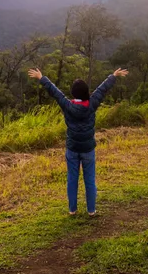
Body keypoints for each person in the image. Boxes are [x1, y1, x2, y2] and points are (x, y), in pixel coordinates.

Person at [27, 67, 129, 216]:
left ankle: (72, 209)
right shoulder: (92, 103)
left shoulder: (68, 106)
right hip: (88, 148)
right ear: (87, 92)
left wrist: (42, 78)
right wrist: (113, 76)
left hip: (72, 148)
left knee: (72, 179)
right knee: (90, 180)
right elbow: (102, 90)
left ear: (73, 93)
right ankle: (91, 210)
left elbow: (55, 93)